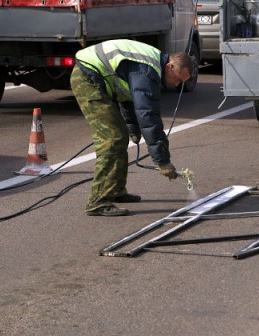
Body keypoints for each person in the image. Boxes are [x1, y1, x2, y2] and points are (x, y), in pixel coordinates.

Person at [71, 40, 194, 216]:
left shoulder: (150, 65)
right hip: (87, 78)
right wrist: (162, 161)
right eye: (177, 79)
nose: (176, 85)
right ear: (170, 66)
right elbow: (148, 115)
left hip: (94, 75)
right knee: (112, 139)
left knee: (120, 136)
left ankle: (115, 191)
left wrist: (132, 128)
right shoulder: (147, 70)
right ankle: (97, 201)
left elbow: (127, 95)